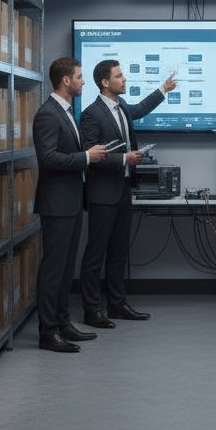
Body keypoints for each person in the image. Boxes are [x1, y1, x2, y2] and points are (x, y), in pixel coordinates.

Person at [79, 61, 176, 327]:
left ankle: (117, 304)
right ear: (105, 83)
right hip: (102, 194)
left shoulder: (122, 107)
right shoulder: (91, 114)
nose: (125, 79)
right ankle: (91, 310)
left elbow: (140, 109)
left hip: (122, 190)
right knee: (95, 254)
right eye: (119, 76)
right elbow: (91, 155)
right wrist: (124, 158)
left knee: (119, 251)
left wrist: (163, 89)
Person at [33, 57, 108, 353]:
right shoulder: (48, 114)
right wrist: (88, 157)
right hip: (56, 204)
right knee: (53, 270)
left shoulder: (65, 111)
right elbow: (48, 158)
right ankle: (47, 332)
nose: (83, 81)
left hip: (71, 202)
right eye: (79, 77)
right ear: (66, 81)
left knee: (65, 270)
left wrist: (87, 155)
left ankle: (63, 324)